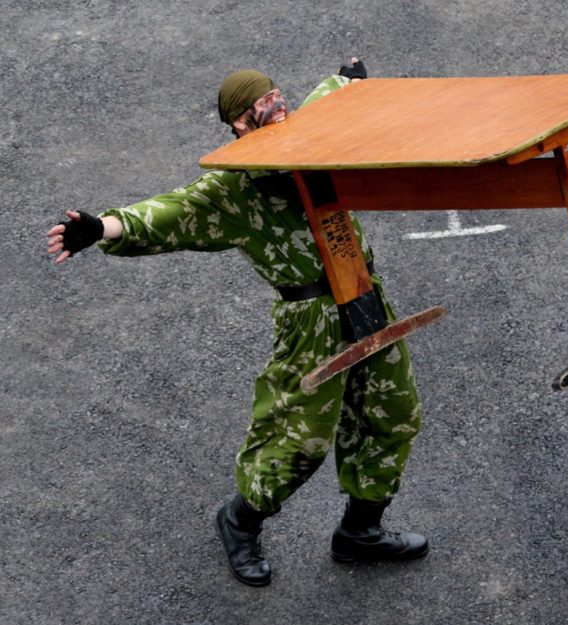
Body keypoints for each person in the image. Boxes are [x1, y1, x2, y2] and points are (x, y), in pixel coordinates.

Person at [47, 59, 428, 587]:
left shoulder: (311, 132)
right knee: (300, 441)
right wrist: (102, 228)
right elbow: (167, 213)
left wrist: (353, 80)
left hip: (365, 298)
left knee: (393, 414)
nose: (274, 111)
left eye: (276, 98)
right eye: (259, 109)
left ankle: (359, 532)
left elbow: (333, 96)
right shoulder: (232, 191)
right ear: (238, 127)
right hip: (312, 321)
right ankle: (240, 521)